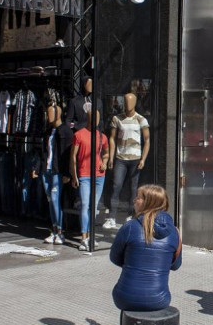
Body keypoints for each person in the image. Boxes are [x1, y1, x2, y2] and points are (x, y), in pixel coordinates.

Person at [110, 184, 182, 311]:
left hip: (124, 297)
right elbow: (175, 266)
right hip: (159, 299)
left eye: (138, 198)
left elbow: (115, 258)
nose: (134, 201)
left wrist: (133, 264)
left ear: (148, 202)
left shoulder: (130, 226)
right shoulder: (175, 232)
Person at [104, 93, 150, 229]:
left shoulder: (141, 119)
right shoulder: (117, 119)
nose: (128, 104)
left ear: (135, 103)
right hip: (121, 158)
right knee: (116, 186)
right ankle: (111, 216)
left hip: (135, 159)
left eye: (130, 101)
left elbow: (147, 140)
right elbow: (112, 138)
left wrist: (143, 158)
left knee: (133, 188)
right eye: (125, 101)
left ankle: (131, 215)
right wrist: (111, 157)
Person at [32, 105, 73, 244]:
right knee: (50, 200)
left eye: (50, 113)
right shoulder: (48, 132)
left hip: (57, 171)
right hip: (46, 170)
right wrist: (37, 168)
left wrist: (67, 173)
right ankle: (54, 230)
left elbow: (67, 154)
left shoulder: (66, 131)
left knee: (55, 199)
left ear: (58, 114)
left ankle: (60, 231)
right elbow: (41, 152)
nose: (48, 116)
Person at [70, 110, 109, 251]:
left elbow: (106, 153)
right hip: (84, 175)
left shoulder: (101, 137)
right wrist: (74, 175)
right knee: (85, 204)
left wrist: (105, 162)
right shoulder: (78, 135)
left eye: (98, 117)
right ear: (88, 118)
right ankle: (84, 237)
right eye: (94, 117)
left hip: (99, 175)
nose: (96, 120)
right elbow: (73, 157)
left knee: (93, 206)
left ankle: (91, 235)